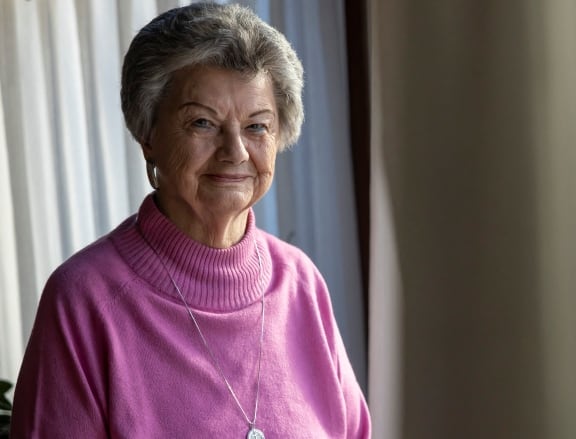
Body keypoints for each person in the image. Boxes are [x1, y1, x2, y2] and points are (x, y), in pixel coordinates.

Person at [11, 3, 370, 438]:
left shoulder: (302, 284)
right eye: (202, 122)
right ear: (148, 134)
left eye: (257, 126)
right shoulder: (85, 301)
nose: (235, 150)